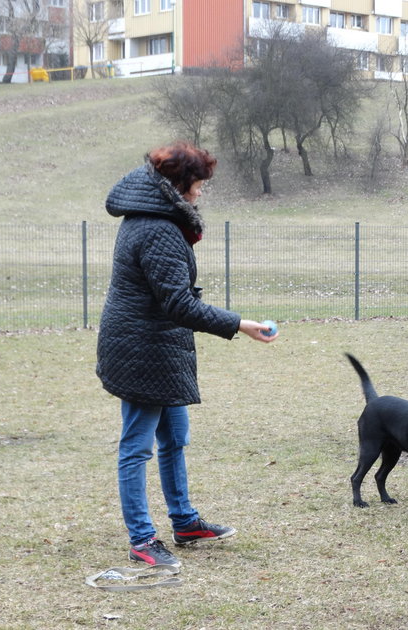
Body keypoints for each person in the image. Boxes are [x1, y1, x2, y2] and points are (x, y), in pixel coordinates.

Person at [96, 140, 278, 569]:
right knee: (136, 446)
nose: (201, 193)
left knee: (175, 438)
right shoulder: (158, 228)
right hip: (142, 350)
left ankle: (184, 522)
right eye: (198, 184)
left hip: (157, 346)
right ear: (178, 185)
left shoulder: (153, 217)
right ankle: (142, 539)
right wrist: (239, 324)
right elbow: (178, 303)